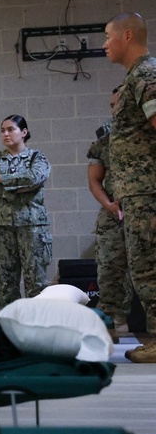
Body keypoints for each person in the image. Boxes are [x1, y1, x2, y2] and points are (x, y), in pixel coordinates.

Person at [103, 13, 156, 362]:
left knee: (149, 268)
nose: (104, 44)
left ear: (126, 35)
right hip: (138, 194)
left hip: (148, 194)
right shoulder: (135, 78)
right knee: (144, 268)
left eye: (107, 37)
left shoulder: (147, 75)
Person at [0, 115, 52, 307]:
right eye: (2, 130)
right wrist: (22, 189)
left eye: (11, 129)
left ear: (24, 132)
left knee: (36, 284)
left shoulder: (37, 157)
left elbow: (35, 178)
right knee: (6, 285)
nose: (5, 134)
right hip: (1, 228)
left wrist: (1, 179)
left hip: (32, 228)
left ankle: (36, 329)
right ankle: (8, 329)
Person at [86, 87, 135, 330]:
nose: (114, 110)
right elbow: (95, 179)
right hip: (113, 212)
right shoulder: (104, 139)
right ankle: (116, 319)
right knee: (109, 266)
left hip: (145, 209)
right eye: (111, 105)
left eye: (119, 104)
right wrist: (109, 204)